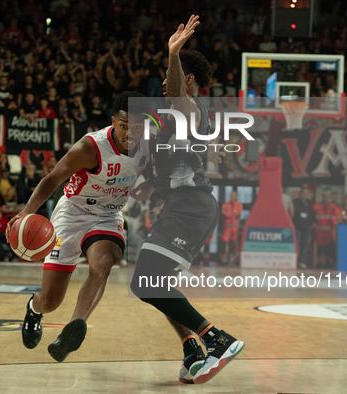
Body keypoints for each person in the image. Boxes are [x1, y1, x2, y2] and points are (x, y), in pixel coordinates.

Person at [129, 15, 244, 385]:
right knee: (155, 283)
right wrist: (150, 185)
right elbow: (176, 158)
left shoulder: (188, 106)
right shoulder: (176, 119)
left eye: (171, 77)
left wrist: (173, 53)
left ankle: (215, 338)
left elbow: (178, 93)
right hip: (181, 205)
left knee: (145, 281)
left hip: (191, 207)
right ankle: (193, 348)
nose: (164, 85)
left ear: (188, 79)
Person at [7, 91, 148, 363]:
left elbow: (157, 174)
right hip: (72, 213)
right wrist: (27, 212)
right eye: (124, 125)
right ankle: (34, 310)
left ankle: (74, 328)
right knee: (50, 301)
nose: (131, 132)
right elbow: (52, 179)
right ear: (113, 122)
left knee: (103, 261)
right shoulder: (89, 148)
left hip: (108, 215)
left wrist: (150, 188)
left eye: (137, 127)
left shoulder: (150, 146)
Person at [293, 187, 315, 269]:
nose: (305, 195)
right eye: (303, 193)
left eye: (306, 193)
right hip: (298, 227)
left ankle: (301, 261)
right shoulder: (295, 202)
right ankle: (294, 261)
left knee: (304, 245)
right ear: (300, 194)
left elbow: (312, 215)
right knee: (295, 244)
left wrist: (311, 225)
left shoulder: (310, 204)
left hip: (307, 228)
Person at [220, 190, 242, 265]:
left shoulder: (239, 205)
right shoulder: (225, 204)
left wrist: (230, 214)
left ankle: (231, 259)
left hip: (234, 228)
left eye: (233, 195)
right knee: (223, 242)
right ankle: (224, 259)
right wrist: (232, 215)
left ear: (236, 196)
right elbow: (224, 213)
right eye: (231, 195)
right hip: (227, 227)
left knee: (233, 244)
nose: (232, 197)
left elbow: (237, 213)